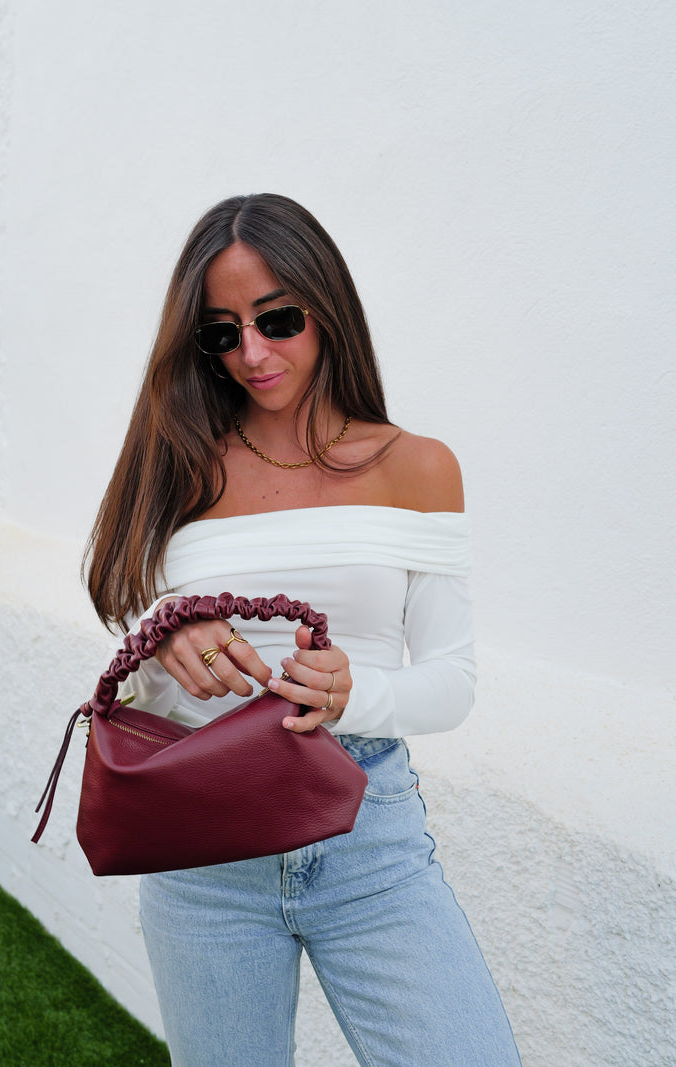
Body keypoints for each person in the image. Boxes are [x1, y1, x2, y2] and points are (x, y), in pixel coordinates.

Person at [85, 193, 521, 1066]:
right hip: (202, 855)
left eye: (277, 318)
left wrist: (360, 689)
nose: (252, 353)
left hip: (370, 843)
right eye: (220, 332)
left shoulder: (416, 467)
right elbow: (134, 647)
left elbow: (453, 678)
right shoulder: (179, 466)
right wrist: (169, 637)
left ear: (327, 306)